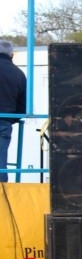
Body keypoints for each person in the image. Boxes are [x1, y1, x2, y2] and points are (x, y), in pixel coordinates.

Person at [0, 40, 26, 182]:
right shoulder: (19, 74)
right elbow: (22, 108)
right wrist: (10, 119)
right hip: (4, 122)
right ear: (12, 55)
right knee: (1, 161)